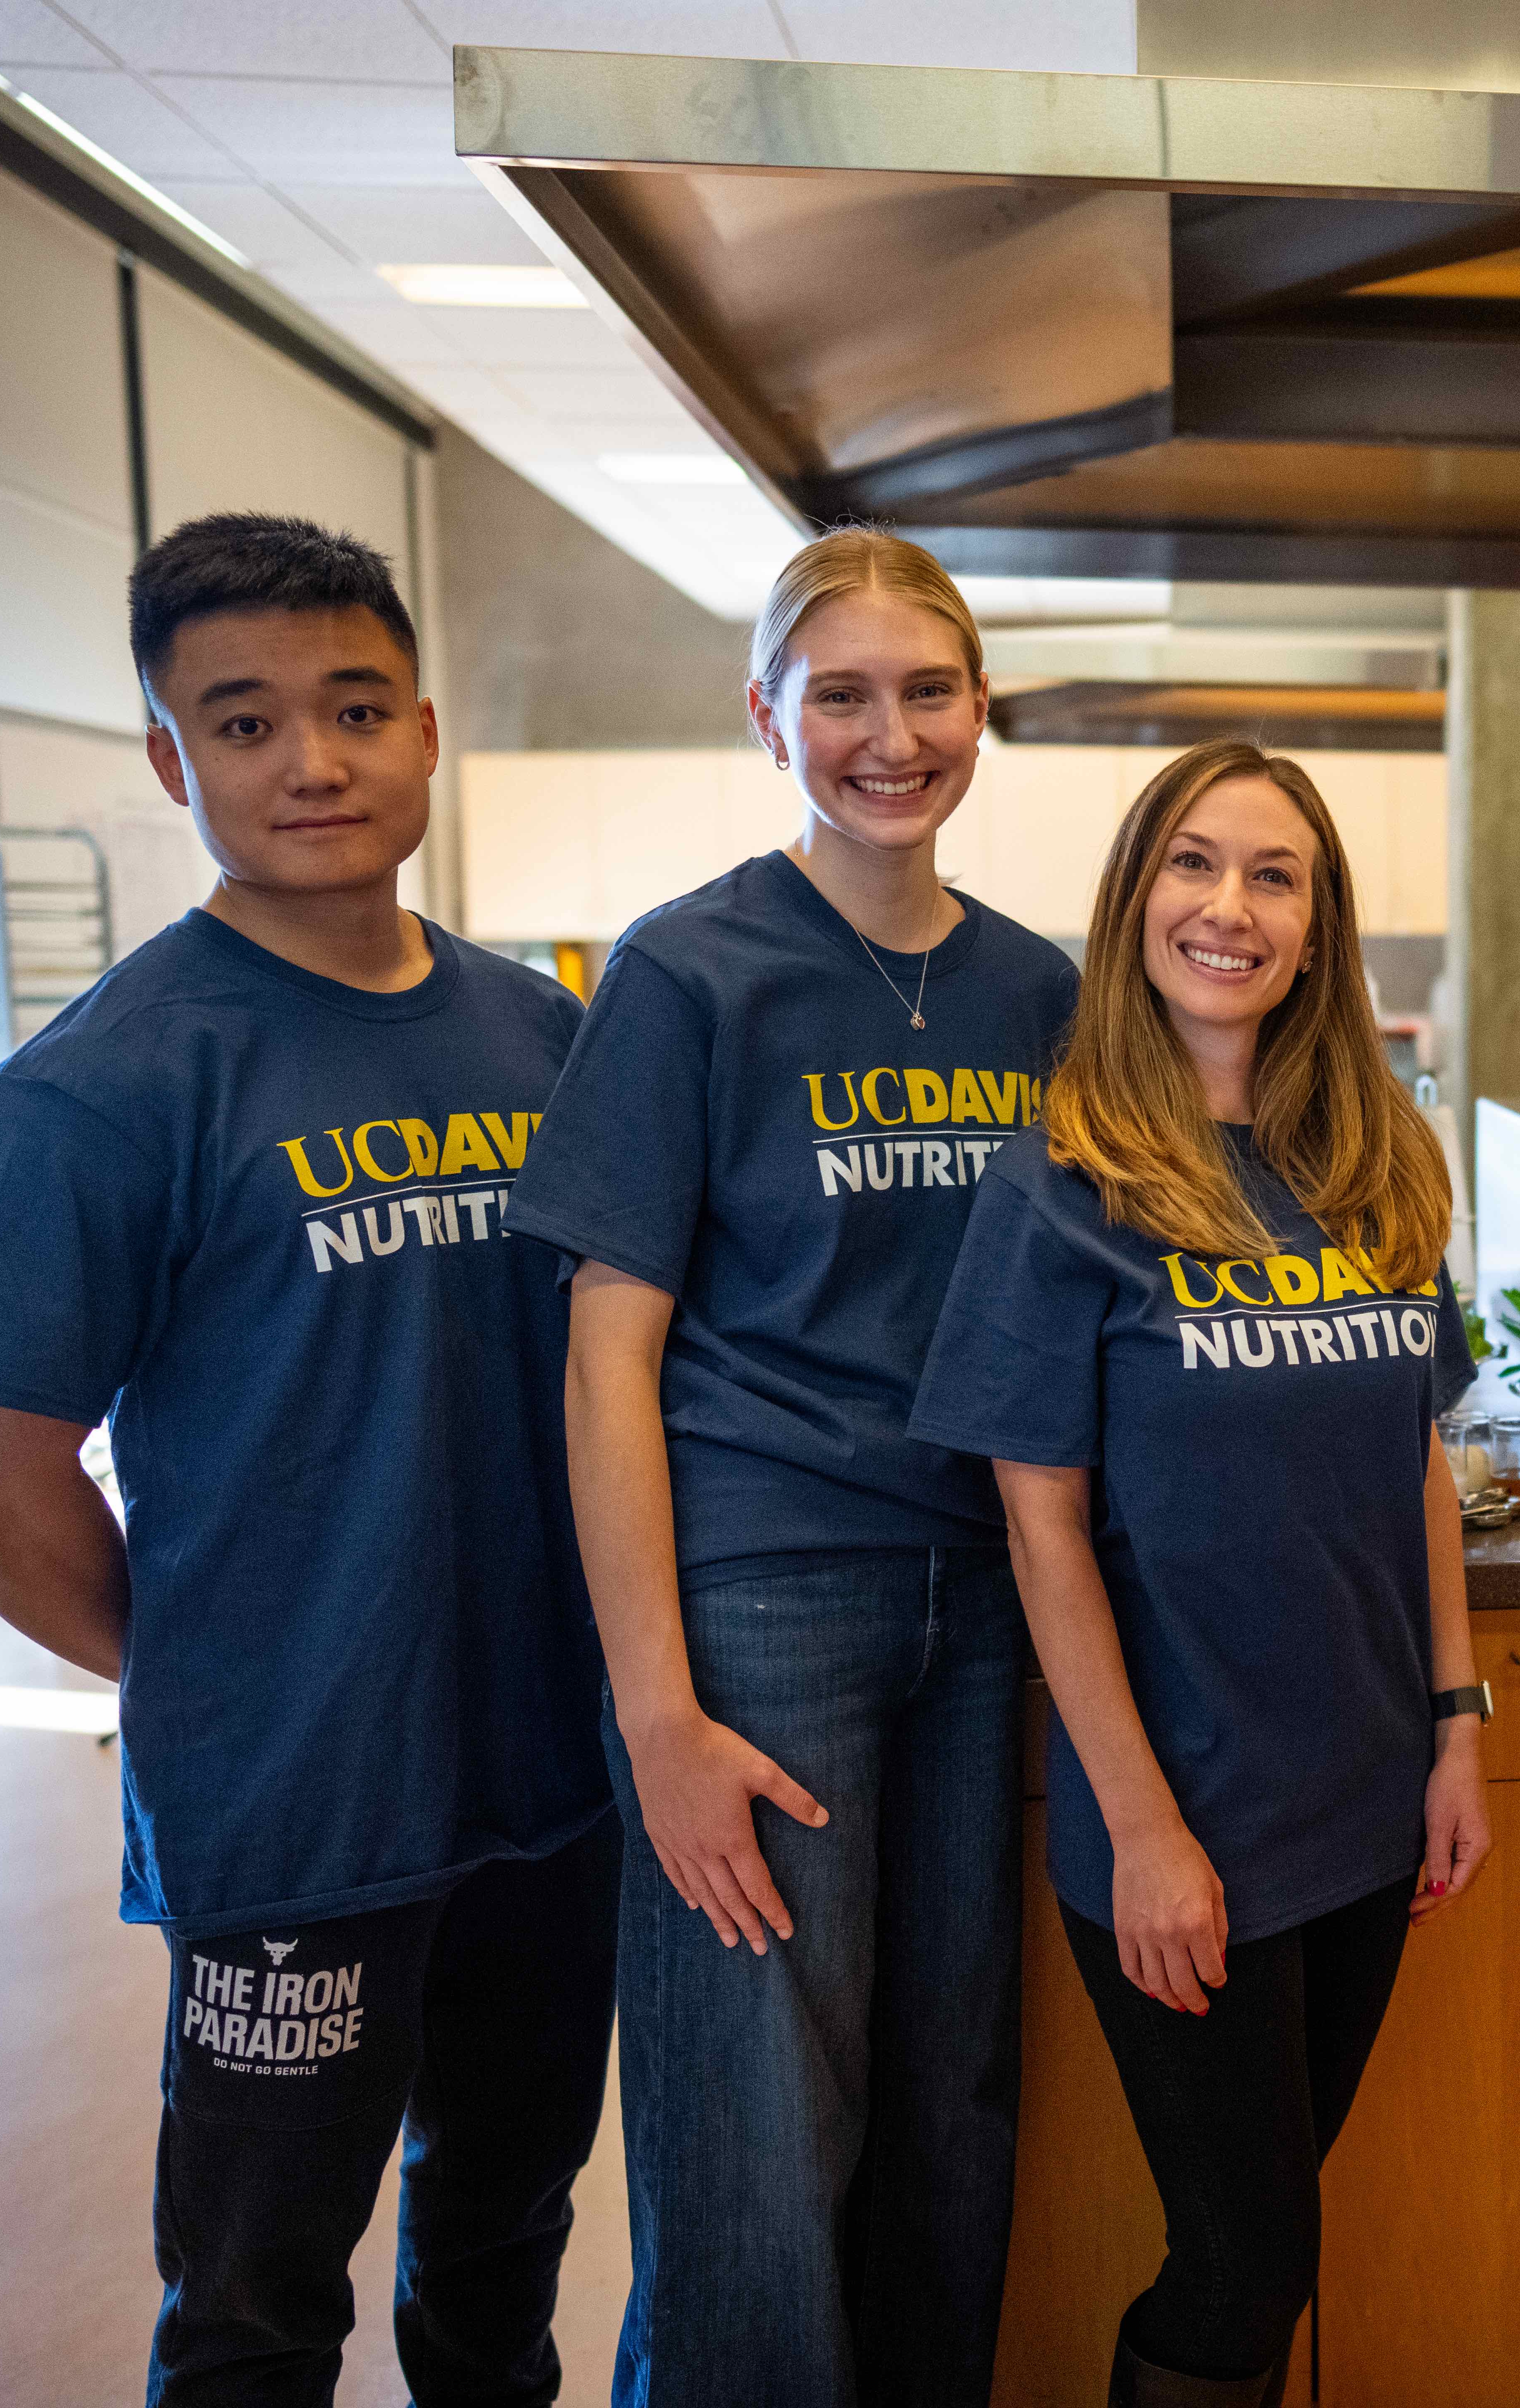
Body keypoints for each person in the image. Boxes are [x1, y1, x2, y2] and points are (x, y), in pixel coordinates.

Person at [0, 514, 617, 2407]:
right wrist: (218, 1668)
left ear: (426, 729)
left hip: (555, 1774)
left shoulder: (546, 1035)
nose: (310, 761)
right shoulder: (99, 1088)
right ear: (172, 759)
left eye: (354, 707)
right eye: (243, 723)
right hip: (298, 1810)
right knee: (256, 2298)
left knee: (504, 2244)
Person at [500, 528, 1079, 2406]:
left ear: (983, 710)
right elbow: (610, 1355)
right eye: (842, 695)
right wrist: (653, 1709)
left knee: (950, 2111)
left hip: (986, 1600)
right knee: (753, 2138)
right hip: (766, 1606)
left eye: (928, 691)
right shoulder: (688, 974)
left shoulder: (1044, 995)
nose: (889, 736)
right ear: (771, 716)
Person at [909, 739, 1492, 2408]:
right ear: (1134, 899)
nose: (1229, 908)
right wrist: (1146, 1831)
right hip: (1185, 1810)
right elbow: (1043, 1531)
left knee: (1277, 2241)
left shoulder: (1377, 1162)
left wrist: (1459, 1723)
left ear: (1318, 927)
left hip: (1370, 1795)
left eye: (1274, 875)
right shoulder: (1064, 1185)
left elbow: (1421, 1459)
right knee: (1244, 2262)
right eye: (1193, 863)